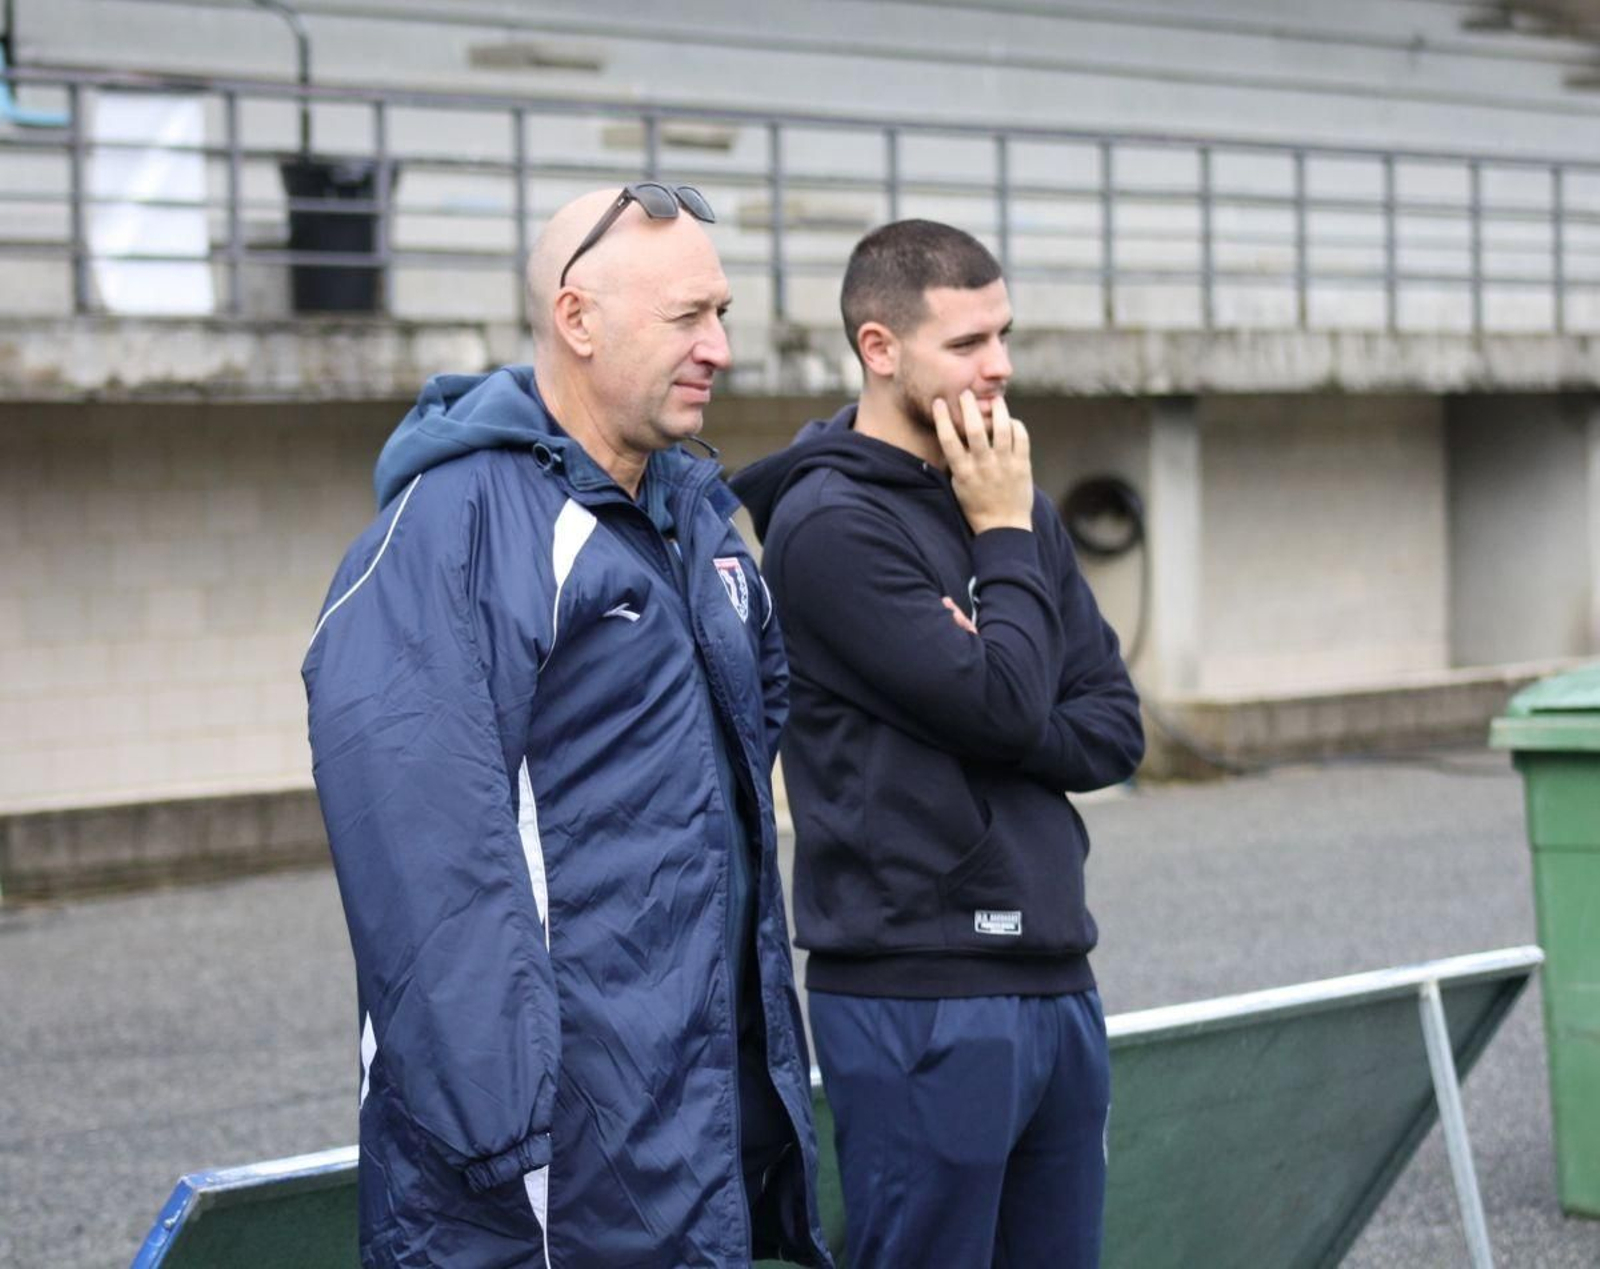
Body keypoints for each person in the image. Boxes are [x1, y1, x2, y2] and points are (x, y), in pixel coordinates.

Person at [302, 185, 833, 1269]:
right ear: (577, 319)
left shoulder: (700, 523)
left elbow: (749, 746)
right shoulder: (454, 531)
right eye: (687, 317)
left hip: (695, 1130)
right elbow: (423, 864)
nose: (720, 348)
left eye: (721, 313)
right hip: (548, 1176)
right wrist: (508, 1147)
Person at [731, 219, 1144, 1268]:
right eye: (966, 343)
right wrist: (1003, 559)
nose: (998, 366)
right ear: (880, 349)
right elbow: (1014, 708)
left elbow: (1110, 729)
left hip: (1057, 972)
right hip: (919, 986)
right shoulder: (830, 527)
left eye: (1002, 334)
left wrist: (999, 675)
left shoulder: (1008, 491)